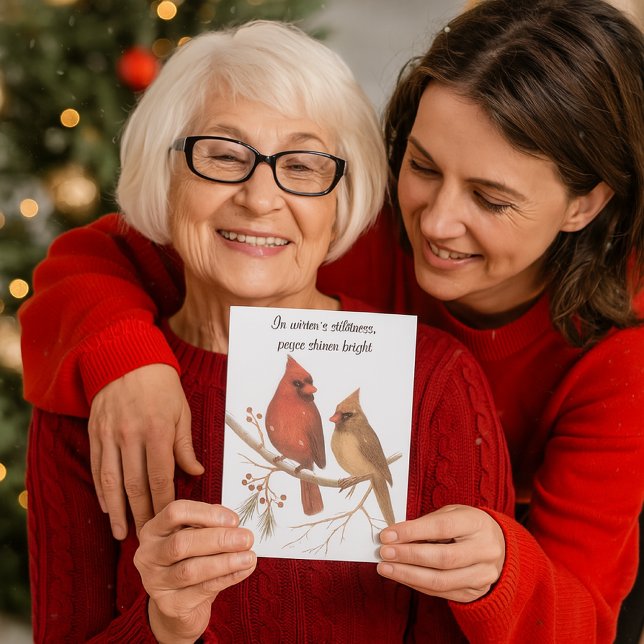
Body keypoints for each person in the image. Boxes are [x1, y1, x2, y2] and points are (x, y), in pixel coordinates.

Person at [19, 0, 644, 640]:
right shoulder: (322, 225)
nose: (433, 223)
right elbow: (92, 258)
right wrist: (125, 356)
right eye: (423, 166)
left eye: (491, 198)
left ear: (585, 203)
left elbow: (583, 622)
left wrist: (502, 573)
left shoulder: (616, 360)